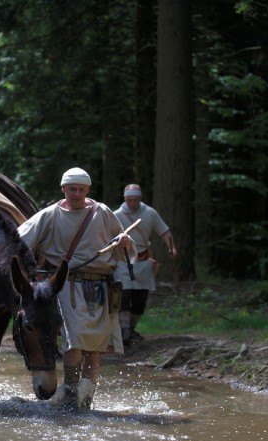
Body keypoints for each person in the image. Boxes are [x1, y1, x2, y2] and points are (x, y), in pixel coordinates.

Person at [18, 167, 135, 410]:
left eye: (81, 189)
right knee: (74, 342)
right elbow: (18, 241)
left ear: (88, 190)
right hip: (67, 286)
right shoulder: (49, 215)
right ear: (63, 189)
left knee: (95, 348)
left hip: (101, 288)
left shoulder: (102, 212)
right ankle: (71, 397)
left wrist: (124, 241)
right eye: (72, 189)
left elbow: (125, 243)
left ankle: (86, 400)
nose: (77, 193)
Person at [113, 184, 177, 346]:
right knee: (124, 296)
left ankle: (131, 328)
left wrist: (172, 247)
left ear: (140, 199)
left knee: (140, 299)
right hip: (123, 262)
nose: (132, 203)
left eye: (135, 200)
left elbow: (164, 231)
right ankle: (124, 331)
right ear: (125, 199)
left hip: (143, 262)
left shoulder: (150, 213)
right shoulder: (116, 216)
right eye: (129, 200)